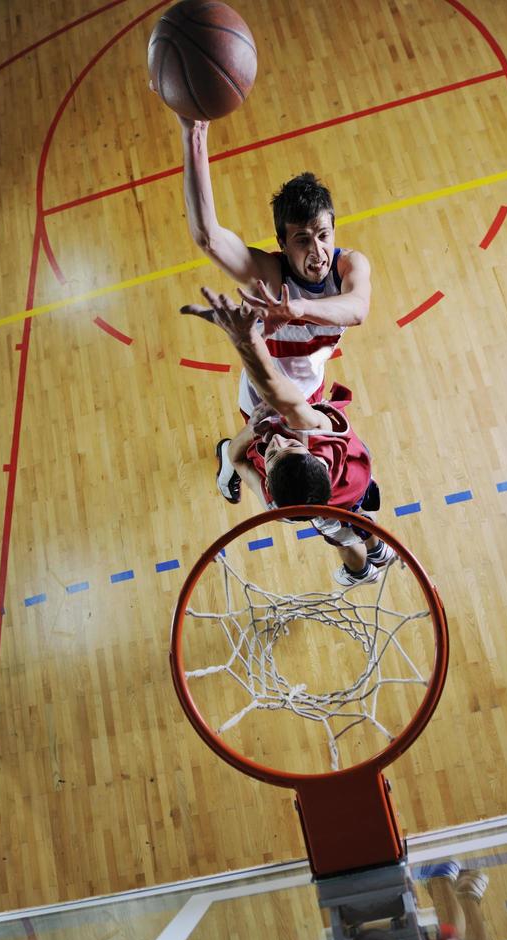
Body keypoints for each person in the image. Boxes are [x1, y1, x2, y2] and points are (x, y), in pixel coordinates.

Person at [176, 116, 372, 496]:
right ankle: (228, 463)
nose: (317, 252)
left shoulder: (350, 265)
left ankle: (232, 457)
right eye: (302, 240)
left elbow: (358, 309)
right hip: (262, 393)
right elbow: (208, 238)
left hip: (310, 391)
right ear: (282, 244)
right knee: (266, 466)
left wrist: (296, 310)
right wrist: (194, 134)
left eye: (323, 235)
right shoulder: (269, 274)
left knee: (300, 478)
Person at [195, 287, 394, 587]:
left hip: (346, 500)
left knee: (345, 541)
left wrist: (246, 339)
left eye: (273, 454)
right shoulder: (324, 434)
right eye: (288, 446)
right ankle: (378, 549)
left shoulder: (282, 509)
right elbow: (288, 401)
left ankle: (361, 571)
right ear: (311, 454)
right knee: (362, 522)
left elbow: (238, 453)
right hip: (359, 489)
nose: (276, 442)